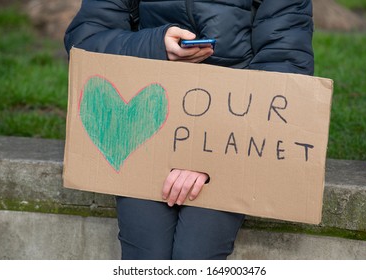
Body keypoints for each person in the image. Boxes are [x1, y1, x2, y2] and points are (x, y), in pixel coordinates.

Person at [64, 0, 314, 259]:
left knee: (195, 254)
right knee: (145, 255)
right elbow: (85, 40)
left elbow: (285, 64)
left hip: (234, 138)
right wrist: (155, 45)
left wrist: (205, 152)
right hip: (146, 128)